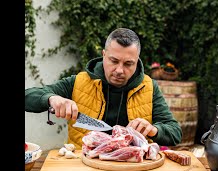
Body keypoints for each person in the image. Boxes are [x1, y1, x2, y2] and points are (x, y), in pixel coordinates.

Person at [25, 28, 182, 149]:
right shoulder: (79, 82)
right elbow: (28, 97)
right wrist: (52, 99)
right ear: (104, 55)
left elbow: (175, 133)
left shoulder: (148, 87)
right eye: (113, 60)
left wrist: (153, 129)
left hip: (133, 166)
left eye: (128, 64)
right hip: (82, 166)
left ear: (137, 61)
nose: (120, 70)